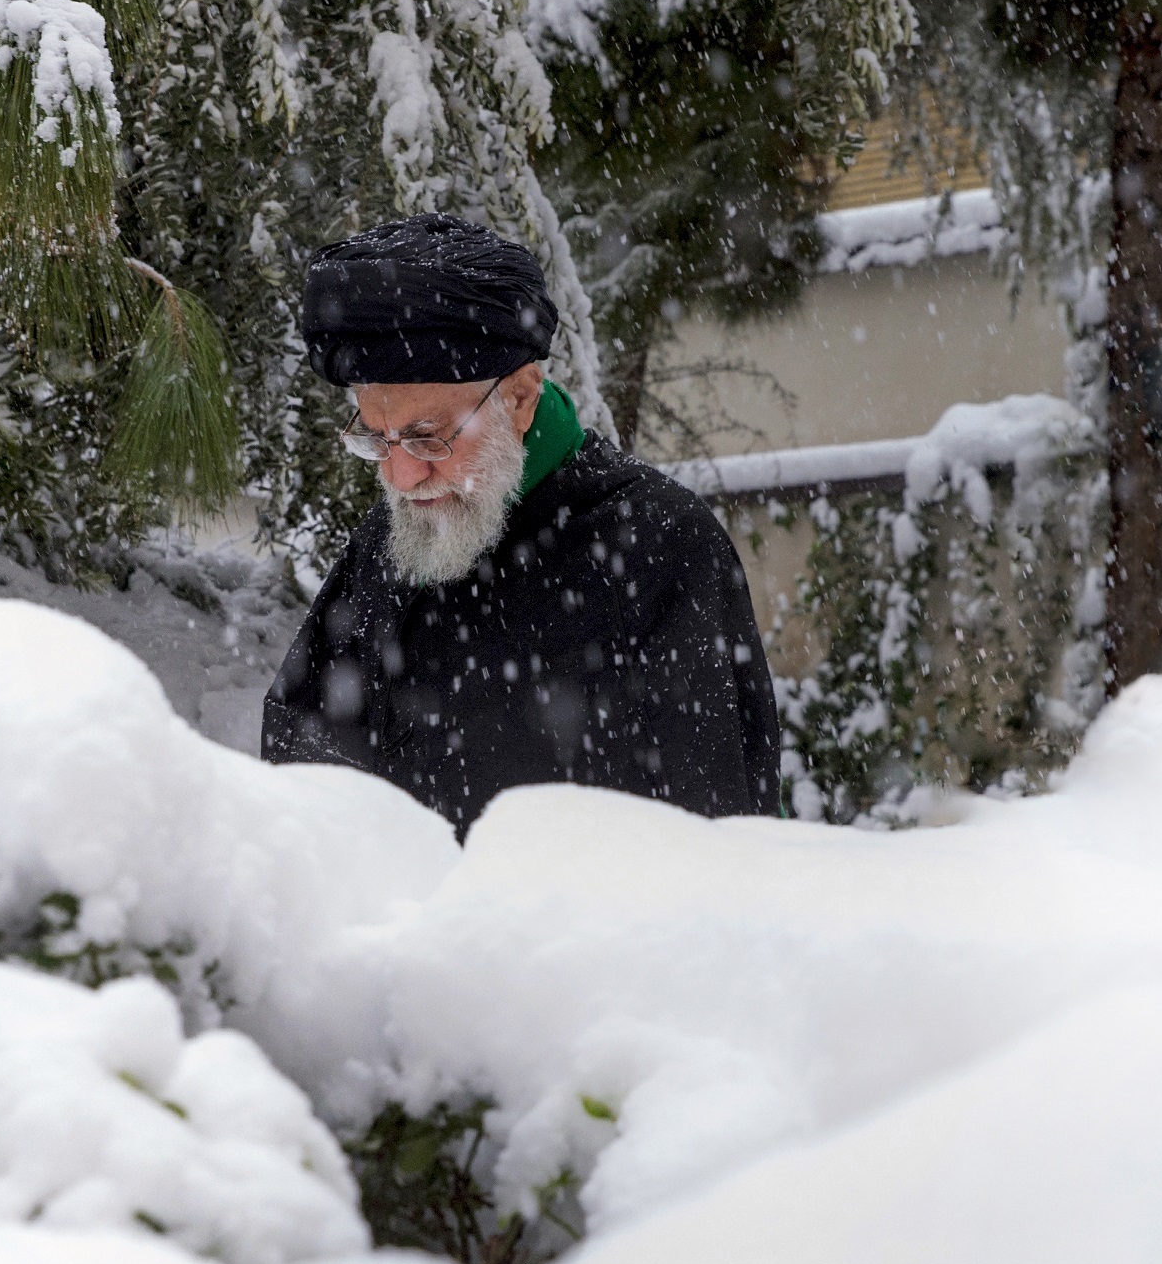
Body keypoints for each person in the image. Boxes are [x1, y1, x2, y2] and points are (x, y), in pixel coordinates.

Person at [262, 213, 780, 837]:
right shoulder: (398, 538)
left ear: (520, 397)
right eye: (377, 439)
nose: (400, 477)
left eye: (428, 438)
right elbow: (299, 789)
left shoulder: (659, 545)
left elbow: (724, 841)